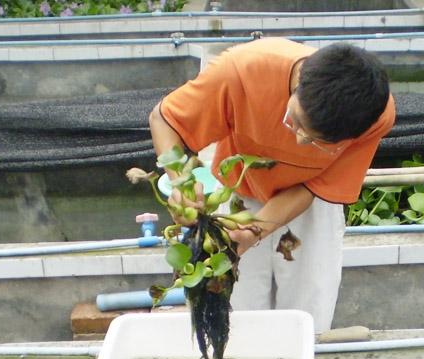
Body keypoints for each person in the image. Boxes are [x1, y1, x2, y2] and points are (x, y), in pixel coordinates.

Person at [148, 38, 395, 333]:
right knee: (236, 310)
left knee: (308, 312)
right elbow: (165, 118)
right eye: (297, 121)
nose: (301, 140)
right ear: (298, 81)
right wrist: (182, 183)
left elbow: (314, 188)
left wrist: (255, 230)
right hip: (240, 191)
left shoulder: (376, 116)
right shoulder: (243, 70)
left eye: (320, 142)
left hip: (310, 205)